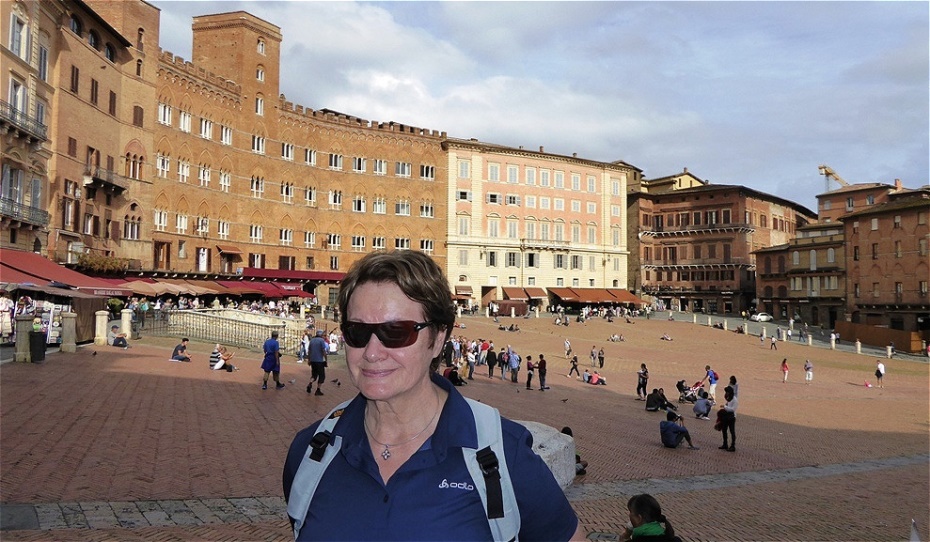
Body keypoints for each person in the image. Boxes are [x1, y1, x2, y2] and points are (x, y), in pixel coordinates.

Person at [283, 250, 581, 541]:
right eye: (357, 332)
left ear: (438, 339)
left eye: (396, 332)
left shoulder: (505, 454)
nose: (372, 353)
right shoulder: (310, 453)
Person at [306, 329, 328, 395]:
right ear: (321, 335)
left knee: (314, 374)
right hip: (319, 361)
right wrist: (326, 359)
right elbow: (323, 350)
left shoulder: (312, 340)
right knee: (321, 375)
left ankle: (310, 383)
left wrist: (309, 359)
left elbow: (309, 351)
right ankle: (318, 389)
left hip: (313, 360)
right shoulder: (321, 341)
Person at [717, 385, 738, 452]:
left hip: (731, 417)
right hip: (726, 417)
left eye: (727, 392)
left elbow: (732, 409)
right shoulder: (729, 398)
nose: (726, 393)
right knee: (724, 430)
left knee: (732, 431)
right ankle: (725, 444)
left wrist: (725, 407)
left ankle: (733, 445)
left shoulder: (734, 400)